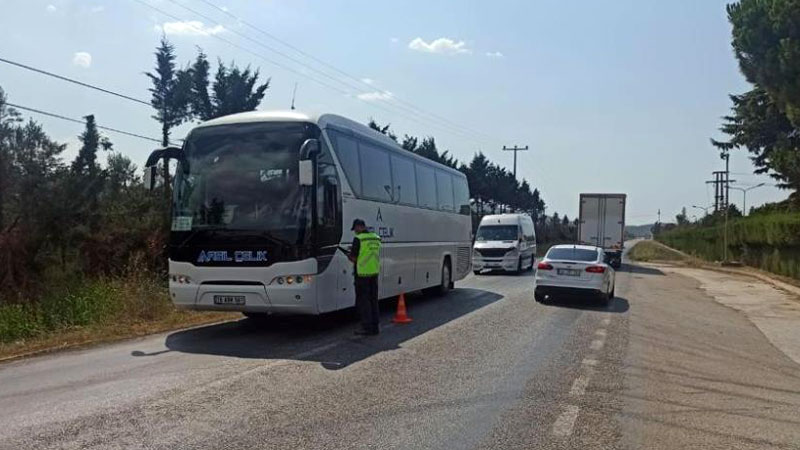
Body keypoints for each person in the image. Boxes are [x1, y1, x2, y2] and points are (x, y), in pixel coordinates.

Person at [348, 218, 381, 335]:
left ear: (359, 226)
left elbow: (354, 258)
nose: (355, 232)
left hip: (362, 275)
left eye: (355, 229)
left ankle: (366, 327)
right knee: (373, 300)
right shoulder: (376, 238)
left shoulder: (358, 239)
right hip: (374, 273)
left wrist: (349, 254)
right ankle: (375, 326)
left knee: (364, 301)